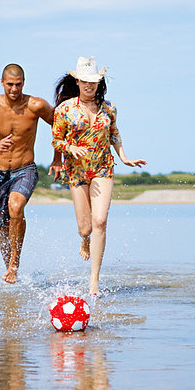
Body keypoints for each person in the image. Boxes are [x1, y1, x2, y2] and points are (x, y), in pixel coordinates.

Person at [52, 56, 146, 295]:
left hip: (103, 168)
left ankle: (93, 280)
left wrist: (124, 156)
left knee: (100, 221)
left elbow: (114, 133)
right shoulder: (64, 109)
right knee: (85, 228)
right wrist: (70, 148)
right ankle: (84, 239)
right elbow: (56, 140)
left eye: (93, 81)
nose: (89, 86)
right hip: (76, 171)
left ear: (99, 82)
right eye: (84, 81)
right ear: (78, 82)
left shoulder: (109, 108)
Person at [0, 63, 61, 284]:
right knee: (2, 227)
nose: (14, 89)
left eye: (18, 84)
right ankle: (9, 272)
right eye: (10, 84)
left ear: (24, 83)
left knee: (16, 206)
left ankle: (14, 265)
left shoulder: (36, 105)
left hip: (25, 168)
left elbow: (60, 126)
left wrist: (58, 158)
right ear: (2, 82)